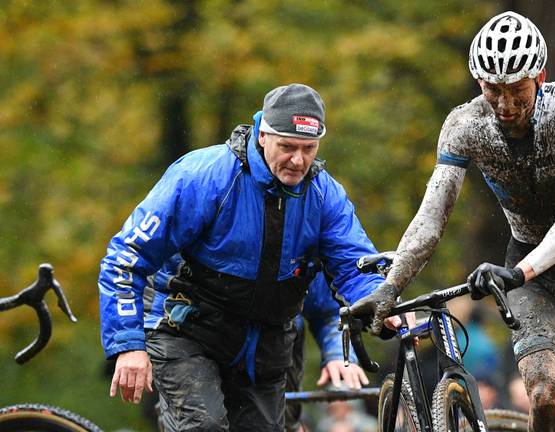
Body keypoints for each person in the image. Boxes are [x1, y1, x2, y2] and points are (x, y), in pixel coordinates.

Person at [350, 11, 555, 432]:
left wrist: (519, 272)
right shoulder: (464, 124)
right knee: (545, 392)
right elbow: (431, 219)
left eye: (516, 89)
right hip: (532, 276)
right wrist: (390, 287)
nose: (504, 104)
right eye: (491, 90)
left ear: (540, 76)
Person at [99, 83, 389, 431]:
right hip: (188, 334)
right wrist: (129, 345)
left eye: (309, 149)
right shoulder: (204, 176)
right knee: (205, 427)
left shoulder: (325, 195)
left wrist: (384, 300)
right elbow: (126, 257)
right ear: (263, 134)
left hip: (264, 349)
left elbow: (356, 265)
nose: (298, 160)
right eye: (288, 147)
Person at [285, 273, 370, 431]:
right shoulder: (324, 425)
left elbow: (328, 313)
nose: (338, 407)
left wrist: (338, 353)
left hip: (281, 379)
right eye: (335, 404)